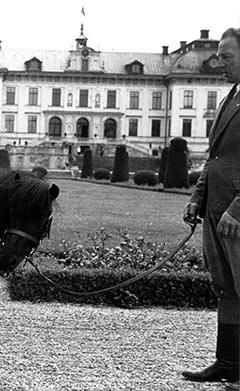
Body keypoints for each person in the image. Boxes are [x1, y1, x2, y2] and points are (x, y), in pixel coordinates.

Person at [182, 28, 240, 390]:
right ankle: (228, 363)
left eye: (228, 56)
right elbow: (214, 158)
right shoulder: (230, 97)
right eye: (219, 55)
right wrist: (196, 197)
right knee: (227, 288)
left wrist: (238, 207)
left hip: (236, 214)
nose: (219, 63)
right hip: (217, 209)